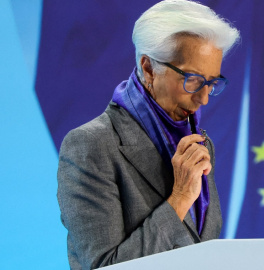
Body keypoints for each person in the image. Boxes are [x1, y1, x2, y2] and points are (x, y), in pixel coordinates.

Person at [56, 1, 240, 269]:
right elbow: (102, 267)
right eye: (193, 80)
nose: (203, 99)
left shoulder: (200, 144)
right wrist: (179, 199)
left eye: (211, 83)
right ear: (149, 68)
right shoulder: (91, 145)